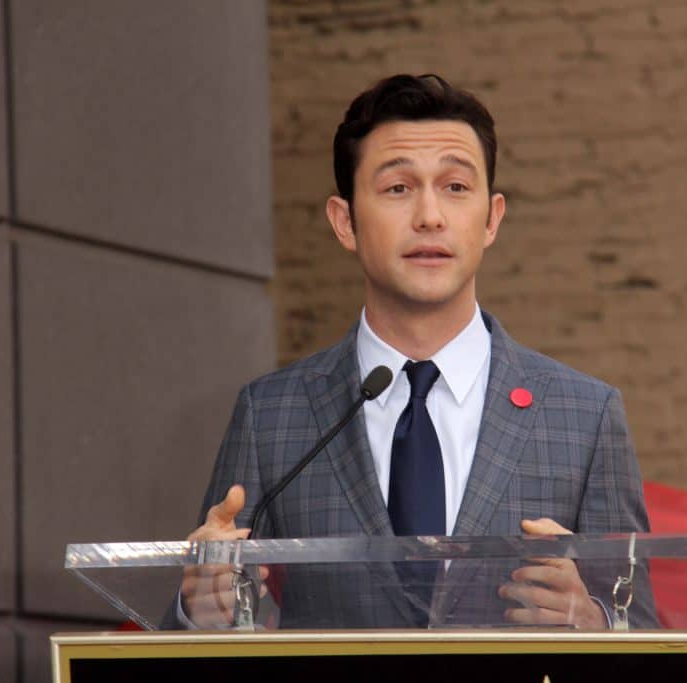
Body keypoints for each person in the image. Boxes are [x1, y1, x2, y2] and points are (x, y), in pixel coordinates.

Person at [175, 74, 653, 630]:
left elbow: (639, 627)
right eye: (398, 189)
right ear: (345, 221)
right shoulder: (272, 415)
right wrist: (200, 609)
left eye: (455, 187)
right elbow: (200, 627)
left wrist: (592, 619)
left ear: (492, 218)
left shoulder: (584, 415)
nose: (430, 216)